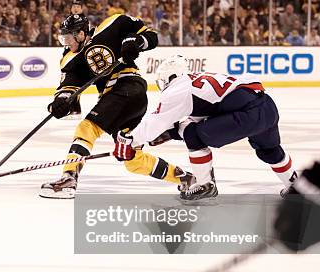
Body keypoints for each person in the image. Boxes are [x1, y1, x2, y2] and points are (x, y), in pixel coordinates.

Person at [40, 14, 194, 199]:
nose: (66, 43)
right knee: (131, 158)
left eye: (68, 38)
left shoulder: (111, 26)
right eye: (62, 38)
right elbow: (69, 86)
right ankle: (186, 179)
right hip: (128, 99)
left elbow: (150, 36)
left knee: (87, 128)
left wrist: (135, 42)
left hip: (127, 86)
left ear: (81, 34)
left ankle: (69, 178)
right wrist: (60, 103)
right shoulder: (70, 58)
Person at [113, 55, 297, 201]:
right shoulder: (198, 81)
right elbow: (200, 117)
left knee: (194, 135)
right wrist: (170, 133)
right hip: (266, 106)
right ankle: (294, 186)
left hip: (248, 113)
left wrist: (129, 140)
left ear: (169, 77)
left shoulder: (177, 89)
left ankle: (205, 185)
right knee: (269, 149)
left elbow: (155, 123)